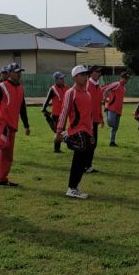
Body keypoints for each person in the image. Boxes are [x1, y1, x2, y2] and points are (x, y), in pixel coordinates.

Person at [0, 62, 30, 187]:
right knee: (3, 144)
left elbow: (22, 108)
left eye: (20, 72)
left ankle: (2, 180)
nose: (19, 74)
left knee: (8, 155)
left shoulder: (21, 88)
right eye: (16, 72)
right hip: (2, 121)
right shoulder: (3, 86)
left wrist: (26, 125)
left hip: (13, 124)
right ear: (9, 73)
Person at [55, 65, 94, 199]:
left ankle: (74, 187)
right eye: (82, 75)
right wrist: (59, 131)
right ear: (75, 77)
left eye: (86, 75)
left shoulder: (87, 94)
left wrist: (92, 132)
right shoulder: (71, 92)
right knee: (78, 159)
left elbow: (89, 116)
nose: (85, 77)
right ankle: (72, 188)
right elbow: (64, 112)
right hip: (77, 130)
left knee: (82, 161)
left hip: (86, 131)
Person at [42, 72, 69, 153]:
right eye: (61, 79)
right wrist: (44, 109)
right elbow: (46, 101)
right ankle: (57, 149)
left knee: (61, 132)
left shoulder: (67, 87)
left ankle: (57, 149)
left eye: (63, 78)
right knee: (58, 131)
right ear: (56, 80)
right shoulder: (53, 89)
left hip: (64, 114)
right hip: (56, 114)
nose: (63, 80)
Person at [102, 72, 130, 147]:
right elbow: (106, 90)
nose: (126, 80)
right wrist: (105, 100)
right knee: (111, 123)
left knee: (115, 127)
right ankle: (106, 112)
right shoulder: (116, 84)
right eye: (125, 78)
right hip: (111, 108)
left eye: (127, 79)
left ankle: (112, 141)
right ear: (121, 78)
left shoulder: (124, 88)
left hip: (118, 110)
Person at [84, 66, 103, 173]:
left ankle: (88, 166)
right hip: (88, 120)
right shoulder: (88, 86)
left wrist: (100, 117)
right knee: (89, 143)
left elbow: (98, 104)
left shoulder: (98, 87)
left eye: (99, 72)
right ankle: (85, 166)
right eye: (96, 72)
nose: (98, 74)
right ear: (91, 73)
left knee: (93, 143)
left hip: (95, 120)